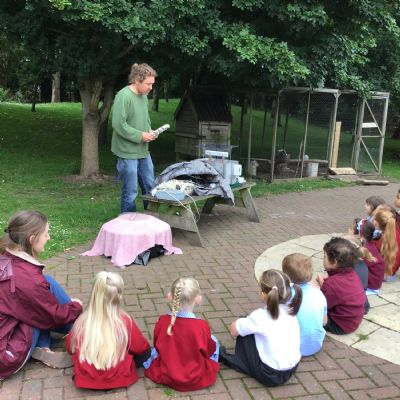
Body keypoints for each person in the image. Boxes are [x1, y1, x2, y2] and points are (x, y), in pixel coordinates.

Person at [0, 211, 83, 380]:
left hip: (6, 328)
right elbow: (53, 315)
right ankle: (80, 329)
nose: (49, 237)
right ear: (32, 239)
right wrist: (75, 307)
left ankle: (43, 344)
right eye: (45, 234)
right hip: (5, 356)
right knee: (43, 310)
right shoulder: (27, 277)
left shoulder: (5, 255)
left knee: (46, 285)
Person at [66, 271, 150, 389]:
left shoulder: (81, 322)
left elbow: (70, 348)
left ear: (94, 294)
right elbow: (141, 347)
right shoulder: (125, 321)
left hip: (86, 379)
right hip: (120, 378)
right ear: (118, 297)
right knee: (146, 352)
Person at [219, 269, 302, 387]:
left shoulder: (260, 316)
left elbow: (233, 331)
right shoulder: (290, 311)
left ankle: (239, 362)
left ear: (263, 294)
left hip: (270, 375)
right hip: (291, 370)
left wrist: (241, 321)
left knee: (244, 324)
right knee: (251, 326)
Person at [144, 277, 219, 392]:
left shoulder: (163, 321)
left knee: (156, 351)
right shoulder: (201, 326)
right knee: (214, 341)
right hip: (194, 376)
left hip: (167, 374)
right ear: (198, 299)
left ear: (170, 296)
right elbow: (208, 350)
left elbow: (157, 345)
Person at [111, 62, 158, 214]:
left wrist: (149, 130)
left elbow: (145, 118)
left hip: (143, 151)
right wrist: (140, 135)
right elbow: (118, 124)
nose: (151, 87)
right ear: (137, 80)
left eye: (152, 84)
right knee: (130, 191)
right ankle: (127, 222)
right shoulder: (123, 96)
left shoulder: (143, 96)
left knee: (150, 186)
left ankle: (150, 218)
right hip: (127, 153)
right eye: (148, 84)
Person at [316, 237, 365, 335]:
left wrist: (318, 290)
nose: (323, 259)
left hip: (339, 325)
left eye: (325, 256)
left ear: (335, 262)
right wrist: (324, 285)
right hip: (353, 321)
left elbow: (320, 305)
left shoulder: (332, 284)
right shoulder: (352, 274)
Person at [282, 253, 327, 356]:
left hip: (291, 348)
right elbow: (324, 322)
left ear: (286, 276)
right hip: (315, 346)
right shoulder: (319, 293)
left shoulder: (285, 295)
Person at [373, 207, 400, 281]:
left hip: (381, 275)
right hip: (392, 274)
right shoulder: (397, 233)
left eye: (375, 219)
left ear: (377, 223)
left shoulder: (379, 241)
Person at [360, 221, 385, 291]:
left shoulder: (366, 248)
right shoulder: (370, 244)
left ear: (361, 234)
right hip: (376, 281)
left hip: (372, 283)